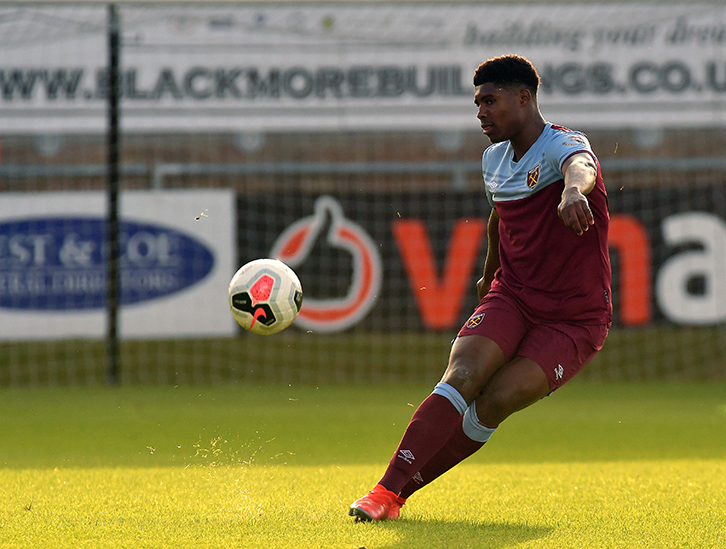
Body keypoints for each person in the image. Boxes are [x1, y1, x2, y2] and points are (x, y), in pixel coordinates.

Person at [349, 54, 612, 522]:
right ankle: (384, 492)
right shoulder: (493, 160)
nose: (480, 113)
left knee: (498, 399)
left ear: (524, 98)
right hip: (513, 294)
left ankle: (402, 491)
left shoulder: (562, 145)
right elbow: (499, 216)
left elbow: (581, 166)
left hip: (575, 317)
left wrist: (573, 192)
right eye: (477, 104)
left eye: (490, 101)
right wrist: (489, 273)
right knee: (463, 376)